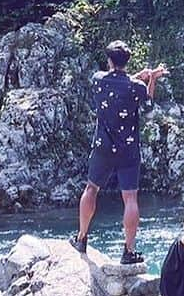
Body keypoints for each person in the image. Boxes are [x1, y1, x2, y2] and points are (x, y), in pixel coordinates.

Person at [70, 40, 167, 264]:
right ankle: (129, 251)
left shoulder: (98, 79)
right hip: (128, 148)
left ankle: (81, 238)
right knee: (130, 198)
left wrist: (137, 77)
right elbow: (149, 106)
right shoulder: (136, 87)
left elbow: (115, 81)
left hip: (102, 146)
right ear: (127, 61)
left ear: (110, 60)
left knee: (91, 188)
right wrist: (151, 78)